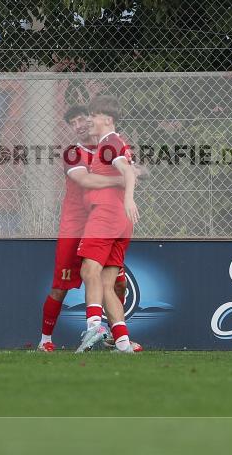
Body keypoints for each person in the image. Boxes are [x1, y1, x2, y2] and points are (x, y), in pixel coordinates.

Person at [37, 104, 129, 351]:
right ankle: (45, 341)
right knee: (60, 287)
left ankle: (115, 336)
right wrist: (124, 178)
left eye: (82, 120)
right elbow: (85, 180)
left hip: (106, 224)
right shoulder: (72, 153)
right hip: (75, 227)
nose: (78, 126)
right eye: (73, 123)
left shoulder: (111, 145)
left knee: (118, 283)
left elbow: (134, 168)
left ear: (93, 120)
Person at [75, 95, 138, 354]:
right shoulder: (116, 142)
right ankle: (123, 343)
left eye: (94, 114)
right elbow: (130, 171)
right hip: (120, 222)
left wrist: (129, 199)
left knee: (88, 271)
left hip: (106, 216)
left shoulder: (109, 143)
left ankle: (94, 328)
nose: (89, 119)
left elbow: (127, 171)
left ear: (108, 119)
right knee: (107, 283)